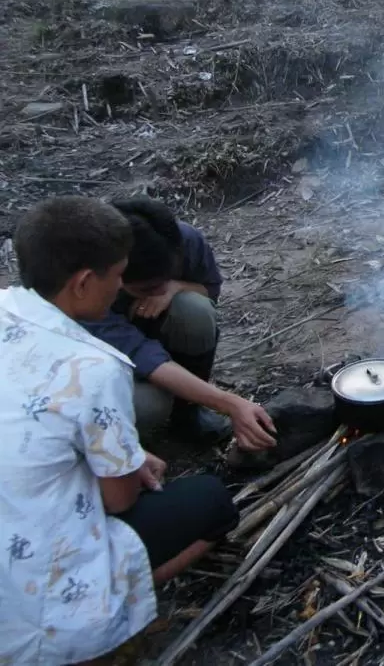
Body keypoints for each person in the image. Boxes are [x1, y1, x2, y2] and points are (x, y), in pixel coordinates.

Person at [0, 196, 239, 665]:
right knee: (213, 503)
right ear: (86, 281)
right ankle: (106, 612)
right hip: (34, 605)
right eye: (117, 277)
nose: (121, 291)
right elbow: (120, 500)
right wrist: (128, 461)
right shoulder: (93, 367)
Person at [79, 196, 277, 452]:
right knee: (153, 403)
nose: (158, 291)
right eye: (147, 287)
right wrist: (229, 403)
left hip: (148, 342)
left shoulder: (183, 239)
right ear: (117, 275)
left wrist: (176, 288)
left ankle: (188, 414)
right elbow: (143, 355)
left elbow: (210, 289)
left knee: (195, 309)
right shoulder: (90, 287)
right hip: (101, 364)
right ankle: (111, 444)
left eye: (167, 277)